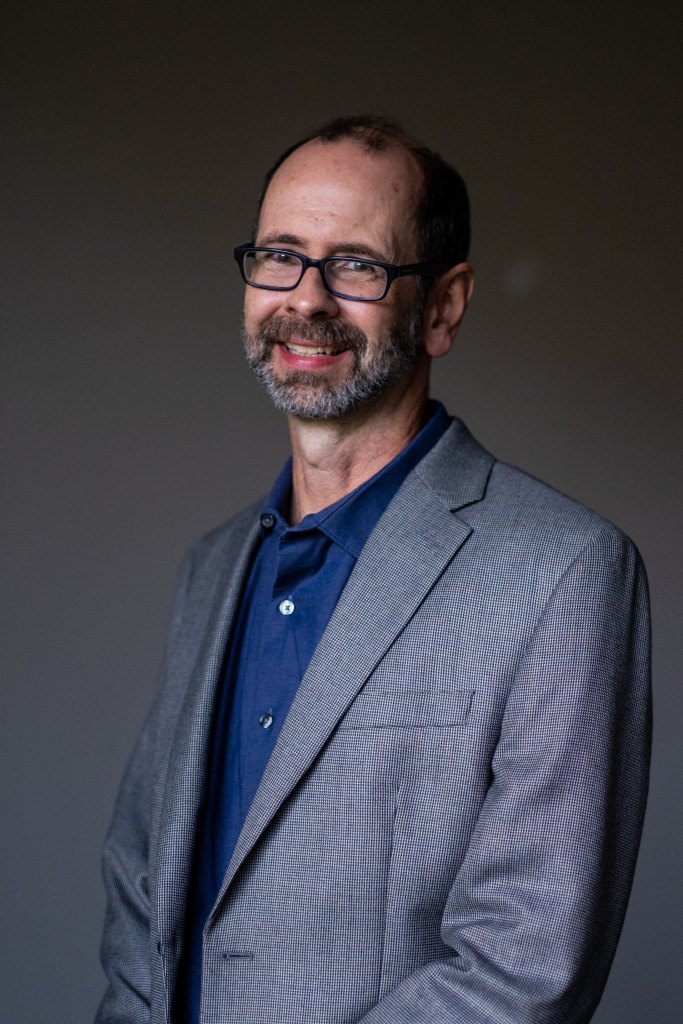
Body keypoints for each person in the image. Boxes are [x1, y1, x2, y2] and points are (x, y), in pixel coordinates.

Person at [96, 116, 651, 1024]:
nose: (305, 300)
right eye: (280, 256)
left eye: (356, 265)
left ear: (442, 307)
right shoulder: (211, 568)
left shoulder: (565, 573)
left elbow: (521, 972)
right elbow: (137, 890)